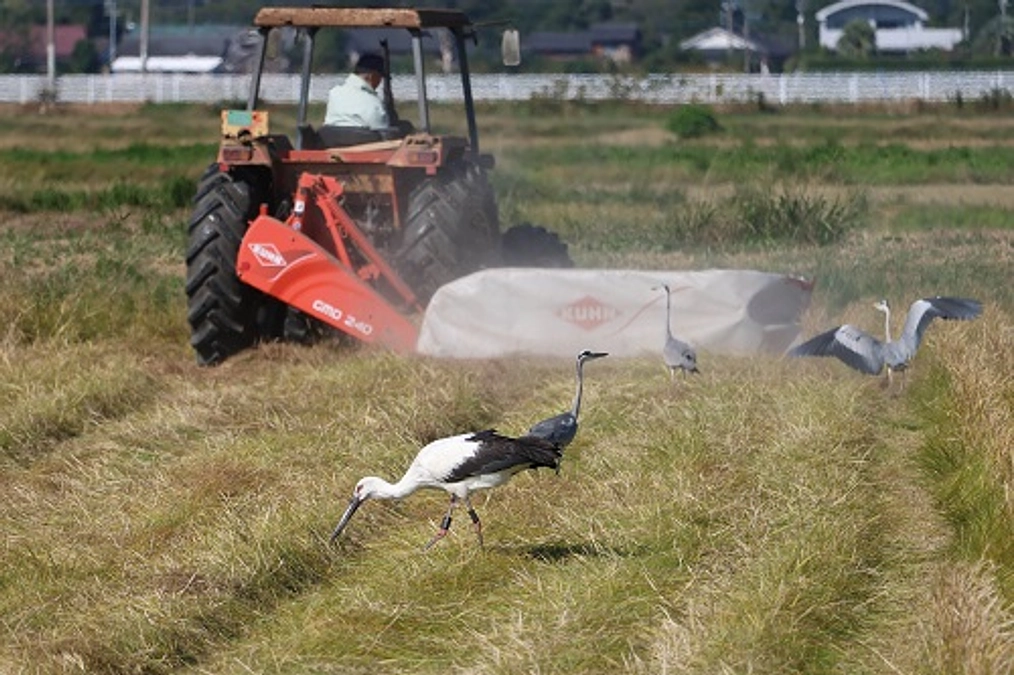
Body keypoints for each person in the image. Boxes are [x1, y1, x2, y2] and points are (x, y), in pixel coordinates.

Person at [324, 52, 389, 130]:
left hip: (332, 140)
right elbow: (385, 135)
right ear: (372, 76)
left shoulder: (334, 94)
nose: (380, 82)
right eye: (380, 77)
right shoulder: (374, 104)